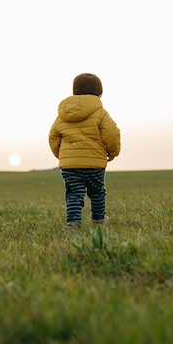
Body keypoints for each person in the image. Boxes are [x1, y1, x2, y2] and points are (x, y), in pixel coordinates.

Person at [49, 73, 121, 230]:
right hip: (94, 164)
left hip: (70, 166)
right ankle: (99, 220)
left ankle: (73, 223)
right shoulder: (100, 113)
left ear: (74, 91)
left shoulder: (62, 114)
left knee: (74, 194)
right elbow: (112, 133)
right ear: (99, 93)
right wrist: (113, 151)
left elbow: (53, 137)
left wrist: (61, 155)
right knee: (97, 192)